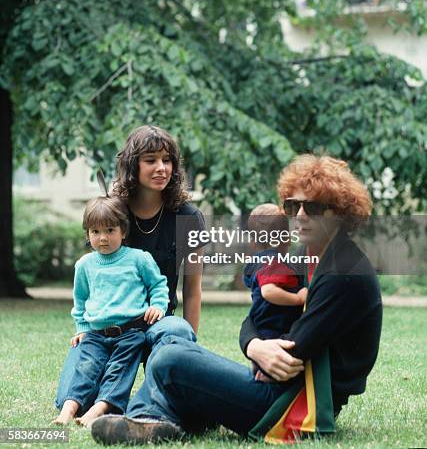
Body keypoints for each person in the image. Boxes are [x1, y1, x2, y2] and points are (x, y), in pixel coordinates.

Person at [90, 154, 382, 445]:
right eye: (293, 205)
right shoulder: (307, 257)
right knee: (175, 346)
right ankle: (159, 419)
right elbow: (255, 318)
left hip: (294, 405)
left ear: (340, 212)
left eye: (314, 207)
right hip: (283, 388)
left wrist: (267, 355)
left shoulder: (344, 271)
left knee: (169, 357)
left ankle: (148, 418)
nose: (300, 215)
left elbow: (291, 355)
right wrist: (254, 346)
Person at [55, 125, 204, 414]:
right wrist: (85, 330)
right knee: (70, 402)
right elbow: (97, 277)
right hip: (109, 327)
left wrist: (189, 349)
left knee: (176, 335)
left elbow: (193, 290)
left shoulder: (189, 217)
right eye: (150, 160)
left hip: (157, 320)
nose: (161, 168)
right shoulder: (113, 212)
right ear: (132, 165)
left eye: (167, 160)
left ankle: (167, 387)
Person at [54, 196, 169, 427]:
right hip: (96, 334)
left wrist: (158, 305)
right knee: (85, 369)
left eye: (110, 230)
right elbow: (81, 300)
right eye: (95, 231)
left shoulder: (138, 259)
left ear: (123, 231)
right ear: (87, 234)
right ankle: (68, 410)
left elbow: (158, 285)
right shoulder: (85, 265)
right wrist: (83, 329)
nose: (103, 238)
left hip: (131, 332)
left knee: (119, 371)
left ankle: (99, 410)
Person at [243, 204, 307, 351]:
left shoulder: (259, 263)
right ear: (286, 239)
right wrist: (297, 298)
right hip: (273, 329)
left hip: (263, 328)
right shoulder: (272, 263)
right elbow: (269, 291)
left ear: (253, 243)